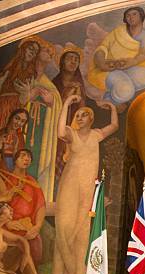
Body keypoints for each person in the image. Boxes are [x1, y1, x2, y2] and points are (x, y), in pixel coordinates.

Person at [49, 95, 118, 274]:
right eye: (77, 115)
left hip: (87, 186)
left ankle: (79, 272)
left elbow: (114, 126)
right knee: (64, 224)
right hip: (70, 184)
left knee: (82, 227)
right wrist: (66, 104)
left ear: (91, 119)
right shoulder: (71, 133)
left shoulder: (96, 134)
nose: (79, 118)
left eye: (83, 115)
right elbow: (60, 130)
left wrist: (112, 107)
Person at [88, 7, 145, 107]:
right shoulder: (119, 31)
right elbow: (103, 47)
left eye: (134, 14)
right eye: (128, 15)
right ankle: (108, 102)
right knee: (125, 89)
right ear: (125, 19)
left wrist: (132, 62)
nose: (131, 17)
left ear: (141, 16)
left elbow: (143, 55)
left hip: (129, 66)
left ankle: (120, 93)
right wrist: (102, 63)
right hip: (110, 68)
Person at [20, 40, 62, 201]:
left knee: (36, 162)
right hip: (24, 126)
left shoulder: (48, 84)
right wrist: (29, 96)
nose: (49, 55)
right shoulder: (25, 75)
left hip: (40, 132)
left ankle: (31, 199)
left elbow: (56, 103)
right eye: (46, 51)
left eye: (52, 54)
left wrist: (52, 102)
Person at [0, 202, 54, 274]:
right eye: (7, 207)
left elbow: (21, 240)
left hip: (3, 270)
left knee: (21, 251)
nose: (11, 209)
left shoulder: (1, 231)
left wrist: (26, 253)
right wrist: (3, 272)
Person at [52, 45, 91, 195]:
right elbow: (52, 106)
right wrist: (66, 95)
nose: (73, 62)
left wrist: (78, 94)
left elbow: (82, 111)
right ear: (62, 62)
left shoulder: (79, 84)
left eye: (76, 59)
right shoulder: (54, 84)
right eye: (70, 58)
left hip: (71, 131)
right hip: (54, 130)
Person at [0, 38, 40, 136]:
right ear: (23, 49)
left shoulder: (32, 74)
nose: (33, 53)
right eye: (31, 49)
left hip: (18, 108)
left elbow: (26, 98)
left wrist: (26, 93)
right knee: (0, 133)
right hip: (4, 105)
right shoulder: (10, 67)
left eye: (35, 52)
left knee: (13, 138)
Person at [4, 149, 46, 264]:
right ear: (15, 160)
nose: (26, 159)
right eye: (22, 156)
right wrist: (8, 223)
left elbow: (41, 205)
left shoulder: (32, 182)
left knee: (35, 243)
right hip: (9, 225)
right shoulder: (6, 180)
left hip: (27, 226)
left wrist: (37, 226)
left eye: (29, 157)